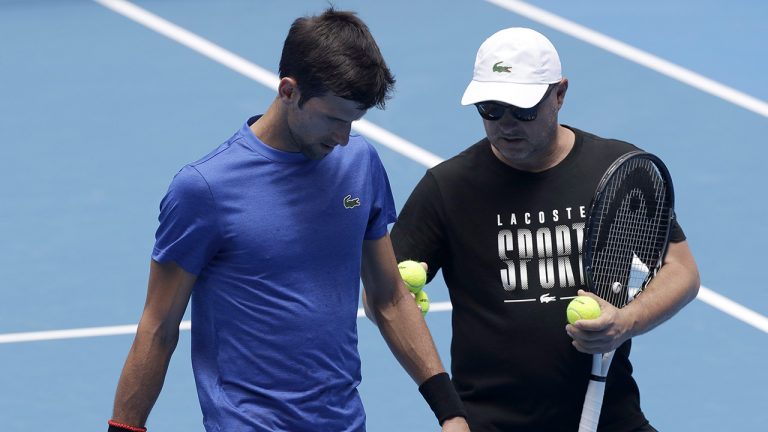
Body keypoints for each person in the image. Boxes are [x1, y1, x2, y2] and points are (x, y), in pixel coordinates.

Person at [107, 8, 470, 432]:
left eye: (353, 122)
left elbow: (389, 298)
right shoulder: (204, 189)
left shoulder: (360, 163)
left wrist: (450, 410)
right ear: (288, 91)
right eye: (334, 119)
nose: (343, 138)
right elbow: (159, 326)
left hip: (344, 422)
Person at [387, 28, 700, 431]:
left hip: (610, 414)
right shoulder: (448, 188)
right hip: (492, 423)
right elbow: (388, 296)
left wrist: (627, 321)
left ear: (559, 93)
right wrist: (448, 411)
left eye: (523, 110)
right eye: (490, 108)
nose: (506, 124)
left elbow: (683, 271)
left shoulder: (618, 169)